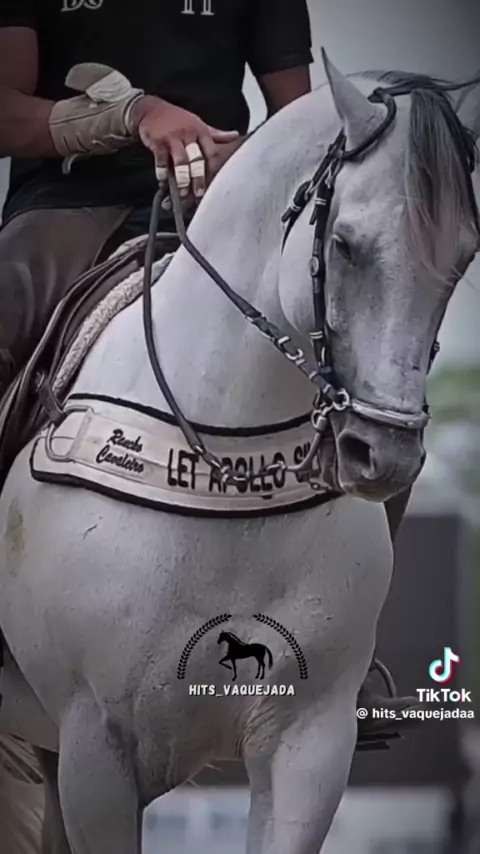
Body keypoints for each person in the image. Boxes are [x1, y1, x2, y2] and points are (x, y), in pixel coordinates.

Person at [0, 0, 417, 752]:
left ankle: (351, 656)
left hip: (223, 208)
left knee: (374, 375)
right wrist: (129, 116)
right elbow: (5, 112)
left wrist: (248, 159)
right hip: (70, 202)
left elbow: (301, 114)